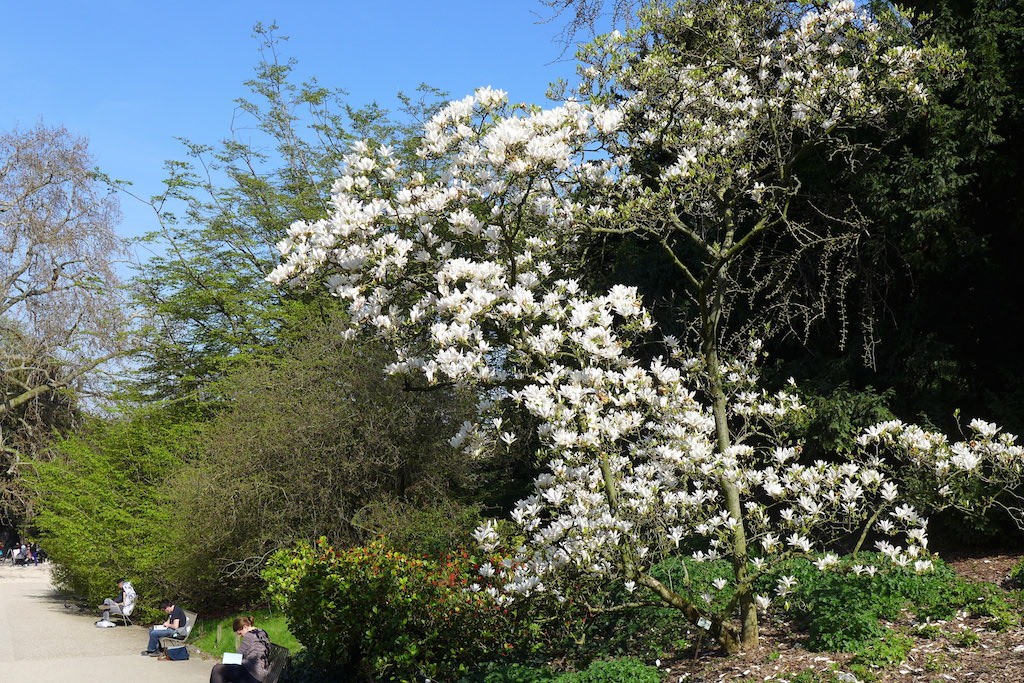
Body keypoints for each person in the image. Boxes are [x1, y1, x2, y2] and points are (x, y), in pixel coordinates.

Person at [209, 616, 272, 683]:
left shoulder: (249, 636)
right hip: (261, 673)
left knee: (217, 669)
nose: (240, 636)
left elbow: (238, 656)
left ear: (245, 627)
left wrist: (224, 662)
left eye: (240, 633)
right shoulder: (262, 632)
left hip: (252, 674)